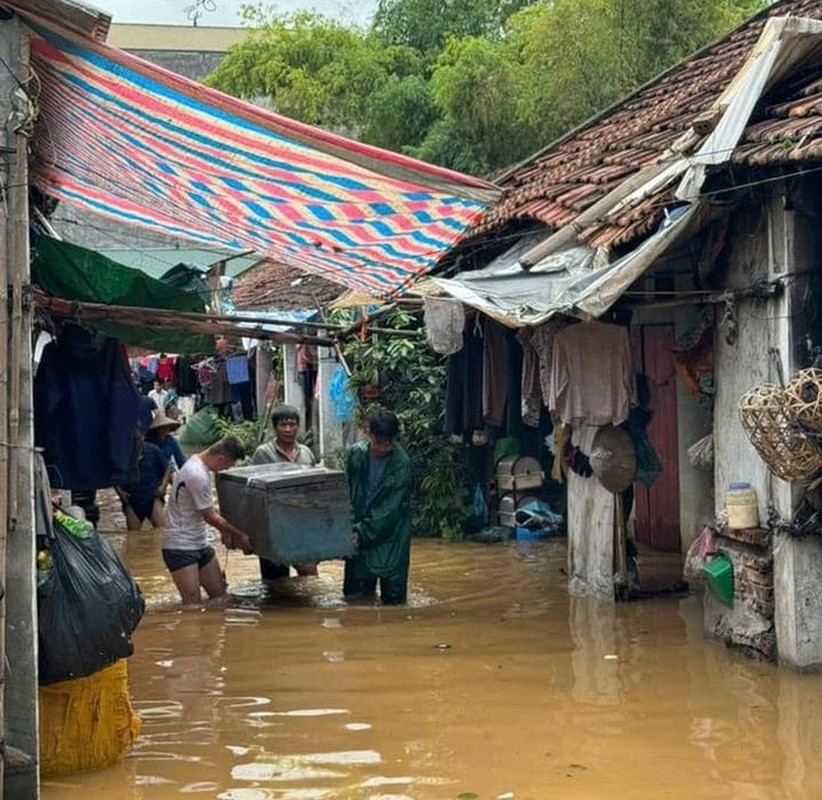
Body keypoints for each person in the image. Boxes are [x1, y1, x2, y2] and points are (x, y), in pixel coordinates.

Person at [163, 435, 253, 605]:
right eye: (229, 464)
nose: (227, 468)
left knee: (220, 597)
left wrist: (226, 530)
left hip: (200, 543)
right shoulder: (197, 474)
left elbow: (209, 511)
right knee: (192, 605)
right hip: (180, 546)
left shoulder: (197, 464)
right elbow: (209, 516)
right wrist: (239, 535)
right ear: (221, 459)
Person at [344, 408, 413, 605]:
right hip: (358, 531)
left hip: (391, 537)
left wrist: (360, 533)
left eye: (387, 443)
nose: (381, 448)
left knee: (393, 603)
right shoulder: (357, 455)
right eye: (377, 442)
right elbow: (347, 493)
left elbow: (389, 511)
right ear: (368, 433)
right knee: (355, 601)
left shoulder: (402, 466)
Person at [251, 404, 318, 579]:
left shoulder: (306, 453)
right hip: (272, 527)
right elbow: (255, 493)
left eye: (292, 424)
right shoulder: (263, 454)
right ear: (275, 428)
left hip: (301, 525)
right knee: (275, 583)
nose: (288, 429)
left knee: (309, 573)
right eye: (283, 425)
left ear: (298, 426)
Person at [115, 430, 172, 531]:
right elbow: (113, 474)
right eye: (132, 440)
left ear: (143, 437)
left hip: (152, 497)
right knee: (133, 536)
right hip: (131, 500)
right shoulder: (122, 454)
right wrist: (120, 493)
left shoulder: (154, 450)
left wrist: (163, 487)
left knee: (162, 531)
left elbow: (168, 468)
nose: (135, 443)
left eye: (137, 439)